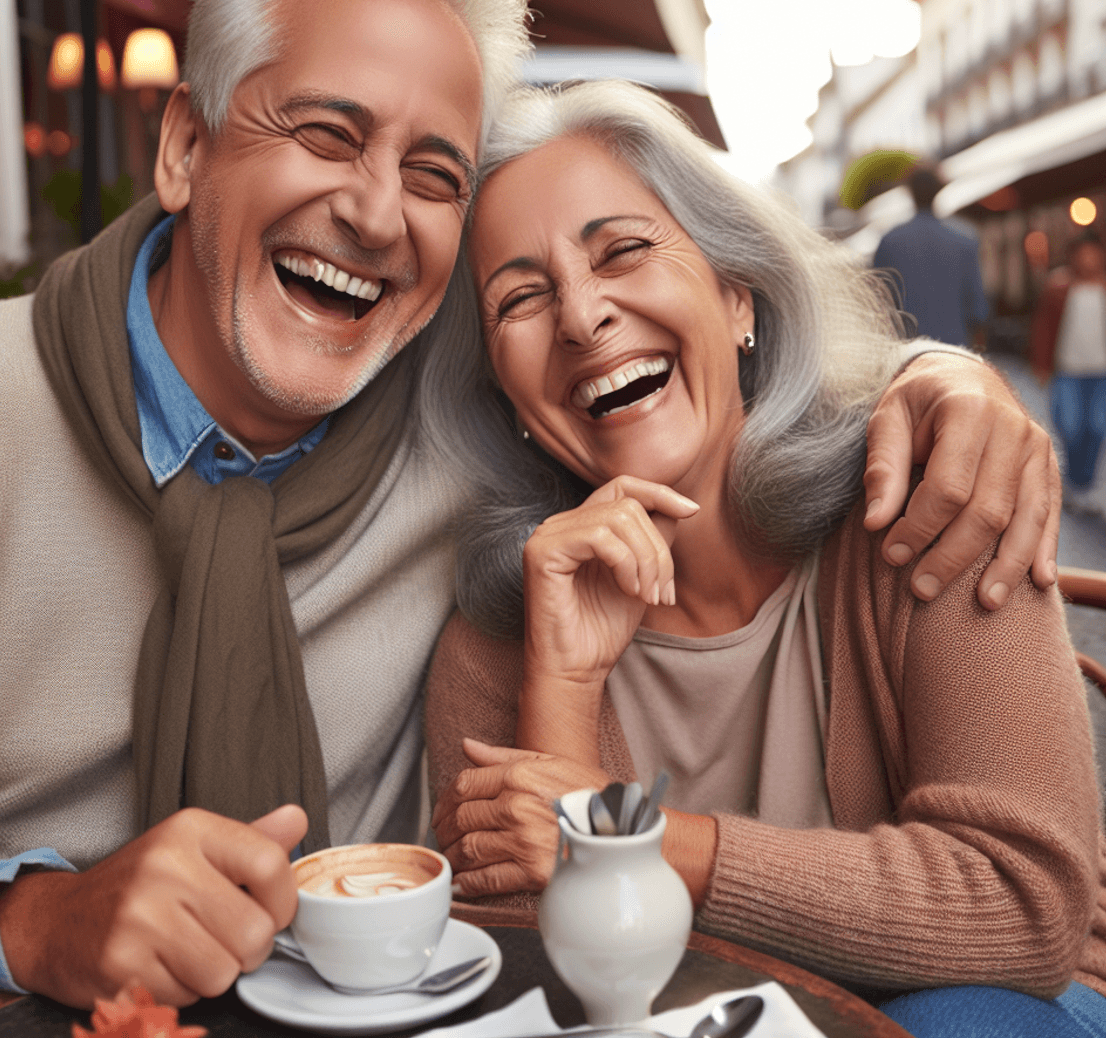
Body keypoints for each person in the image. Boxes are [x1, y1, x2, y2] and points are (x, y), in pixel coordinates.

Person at [0, 0, 1063, 1018]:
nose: (372, 214)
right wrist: (21, 924)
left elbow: (1025, 904)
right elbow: (533, 916)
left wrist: (944, 383)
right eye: (326, 132)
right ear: (185, 147)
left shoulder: (911, 485)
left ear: (740, 290)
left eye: (432, 175)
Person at [426, 81, 1106, 1038]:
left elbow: (1022, 909)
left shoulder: (935, 493)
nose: (581, 318)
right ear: (505, 394)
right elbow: (543, 1002)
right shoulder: (498, 639)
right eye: (521, 298)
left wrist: (649, 846)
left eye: (623, 249)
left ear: (736, 294)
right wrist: (566, 687)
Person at [874, 164, 989, 347]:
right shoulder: (965, 240)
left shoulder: (889, 242)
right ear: (938, 191)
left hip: (906, 349)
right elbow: (978, 308)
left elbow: (878, 303)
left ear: (910, 193)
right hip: (954, 348)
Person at [1031, 234, 1106, 516]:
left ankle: (1084, 486)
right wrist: (1041, 365)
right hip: (1068, 372)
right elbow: (1043, 327)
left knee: (1097, 428)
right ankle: (1075, 483)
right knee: (1071, 427)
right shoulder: (1059, 286)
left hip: (1101, 374)